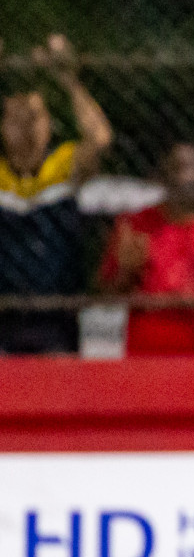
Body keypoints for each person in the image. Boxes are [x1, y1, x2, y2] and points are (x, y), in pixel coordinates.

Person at [0, 34, 113, 354]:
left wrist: (68, 80)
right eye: (16, 120)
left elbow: (100, 139)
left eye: (34, 118)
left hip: (56, 322)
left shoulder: (62, 165)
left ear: (49, 123)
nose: (26, 128)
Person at [97, 142, 194, 356]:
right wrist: (127, 271)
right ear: (162, 176)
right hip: (147, 358)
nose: (182, 178)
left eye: (189, 168)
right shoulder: (135, 226)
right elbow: (107, 298)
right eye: (175, 168)